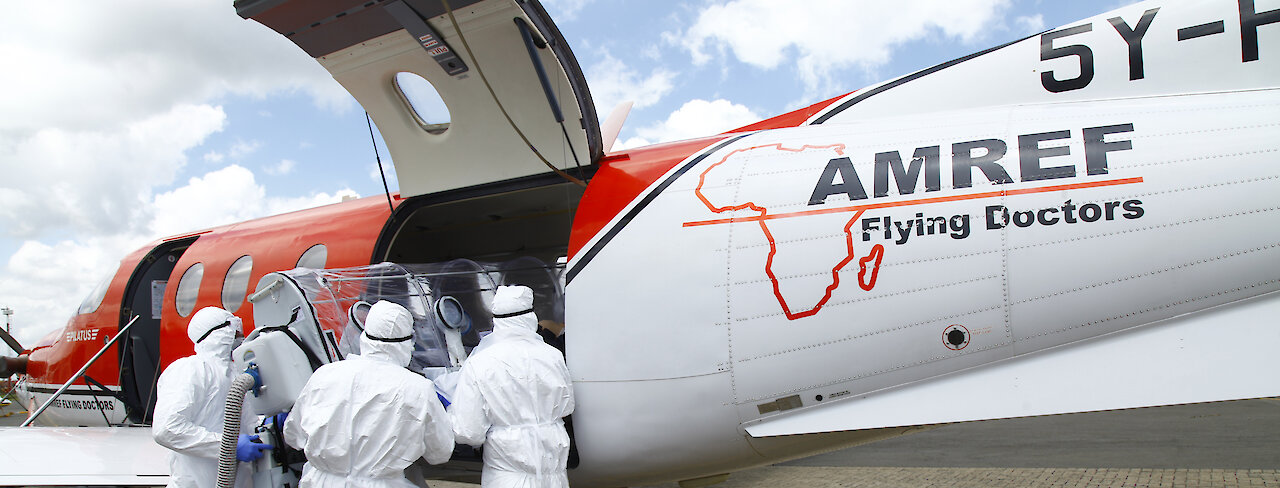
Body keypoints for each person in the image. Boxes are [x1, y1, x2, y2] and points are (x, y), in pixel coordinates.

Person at [284, 300, 454, 488]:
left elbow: (293, 435)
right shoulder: (419, 388)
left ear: (364, 335)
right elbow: (440, 453)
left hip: (319, 482)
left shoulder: (324, 374)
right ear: (408, 342)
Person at [450, 285, 575, 488]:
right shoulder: (552, 356)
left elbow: (468, 430)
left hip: (506, 474)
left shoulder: (480, 361)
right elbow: (567, 406)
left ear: (496, 320)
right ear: (531, 317)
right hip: (553, 470)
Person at [153, 306, 255, 488]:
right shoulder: (190, 369)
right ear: (221, 332)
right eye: (235, 330)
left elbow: (247, 422)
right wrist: (227, 446)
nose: (240, 336)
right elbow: (167, 428)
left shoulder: (237, 373)